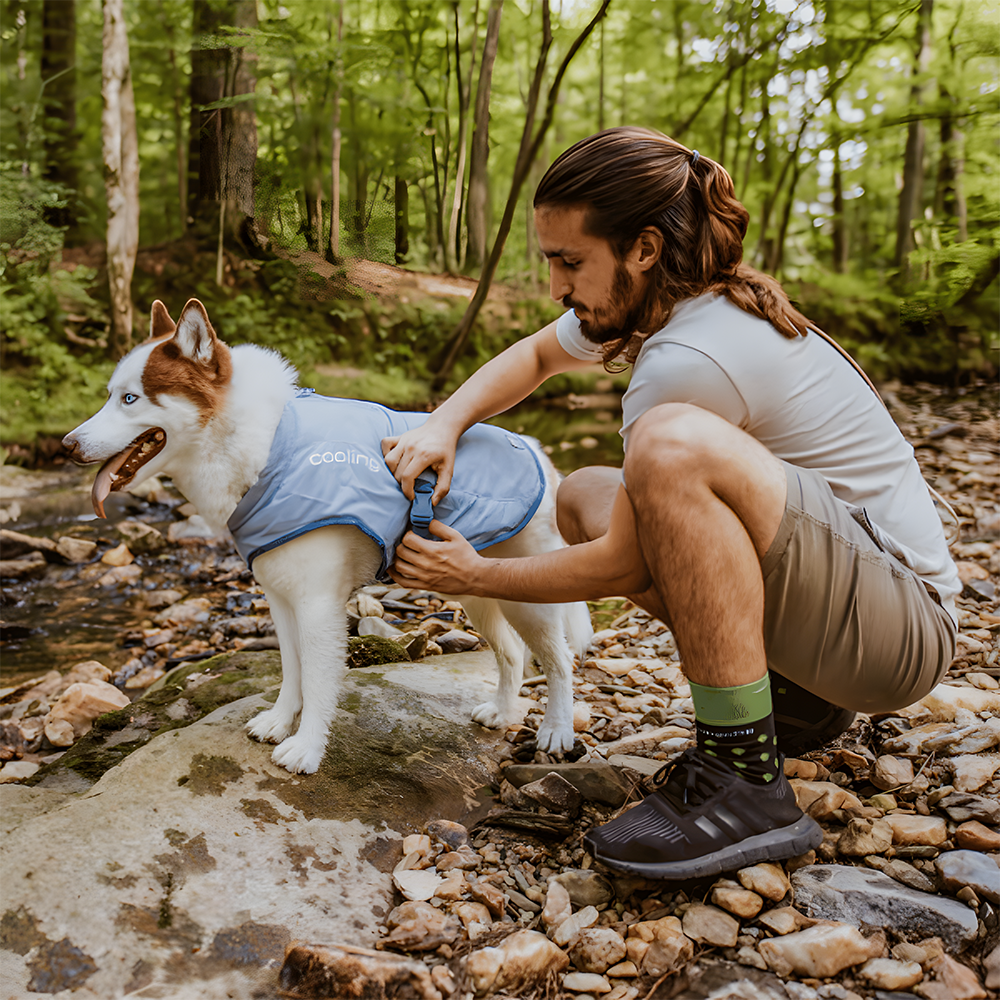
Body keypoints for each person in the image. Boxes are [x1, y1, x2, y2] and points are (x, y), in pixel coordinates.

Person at [381, 127, 959, 881]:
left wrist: (474, 574)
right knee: (587, 495)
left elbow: (622, 563)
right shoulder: (673, 303)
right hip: (852, 621)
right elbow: (536, 355)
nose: (556, 284)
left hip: (899, 636)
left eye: (569, 261)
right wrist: (444, 423)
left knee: (667, 447)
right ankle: (798, 701)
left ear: (644, 249)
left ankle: (743, 778)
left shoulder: (689, 356)